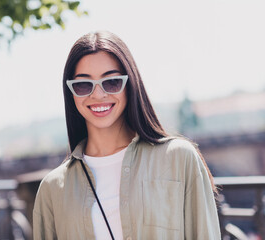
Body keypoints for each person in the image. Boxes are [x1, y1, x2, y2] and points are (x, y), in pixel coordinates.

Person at [33, 31, 221, 240]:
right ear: (71, 92)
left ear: (129, 84)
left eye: (111, 82)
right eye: (83, 84)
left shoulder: (178, 158)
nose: (98, 94)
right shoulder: (52, 189)